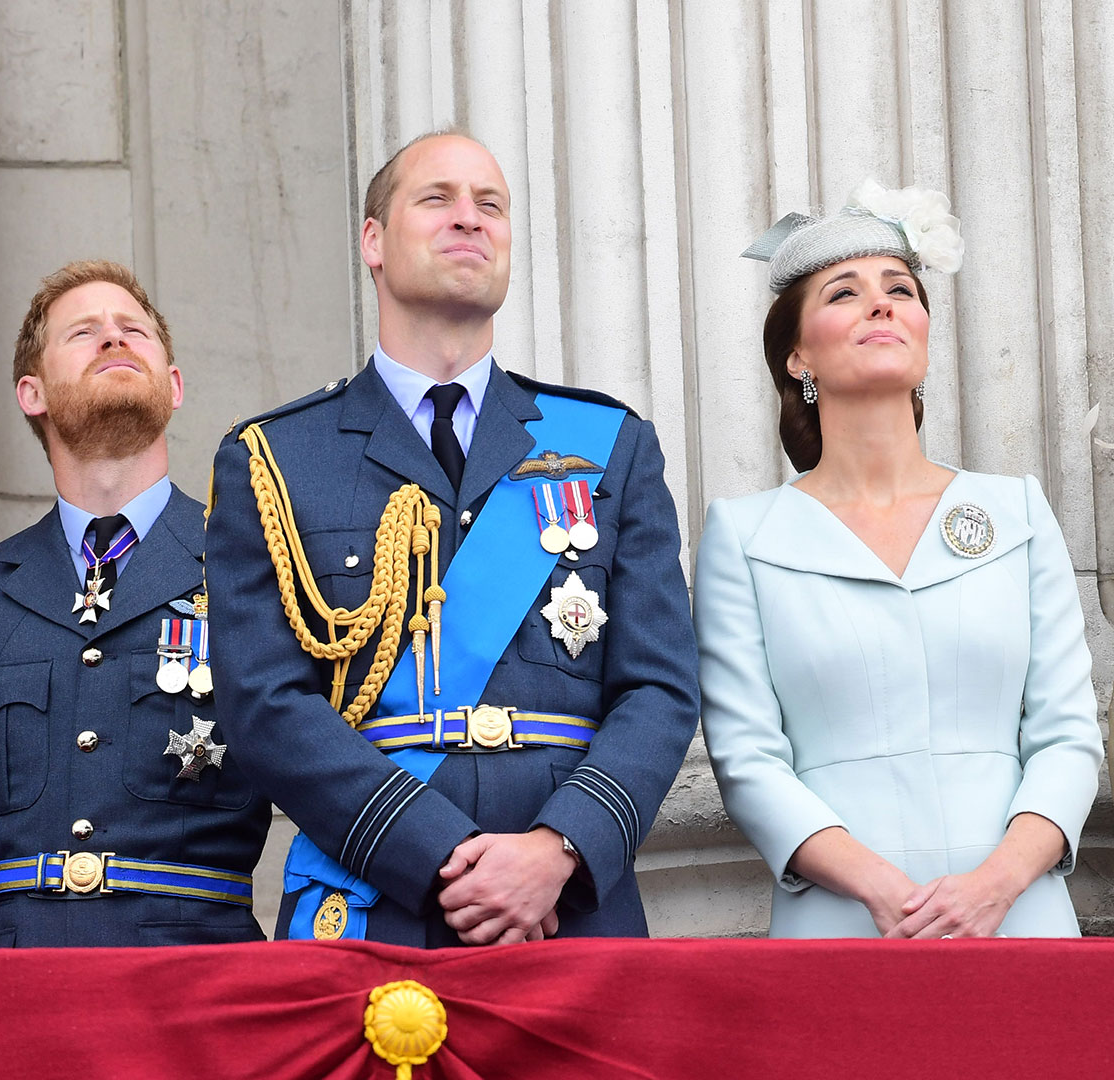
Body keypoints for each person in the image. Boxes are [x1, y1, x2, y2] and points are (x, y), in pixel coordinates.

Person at [206, 132, 699, 946]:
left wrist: (556, 849)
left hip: (567, 908)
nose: (469, 219)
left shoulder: (611, 443)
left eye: (491, 205)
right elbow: (263, 704)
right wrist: (443, 852)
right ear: (373, 239)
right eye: (437, 199)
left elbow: (659, 689)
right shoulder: (275, 457)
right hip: (377, 898)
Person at [697, 181, 1104, 938]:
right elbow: (749, 758)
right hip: (844, 921)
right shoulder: (745, 535)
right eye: (844, 292)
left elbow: (1067, 734)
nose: (881, 304)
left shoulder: (1014, 510)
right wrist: (888, 893)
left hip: (1018, 915)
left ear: (923, 331)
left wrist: (994, 885)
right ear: (796, 356)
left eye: (901, 288)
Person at [0, 260, 271, 946]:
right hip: (12, 990)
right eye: (84, 332)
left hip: (194, 982)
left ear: (173, 385)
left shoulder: (254, 569)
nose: (114, 339)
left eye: (133, 329)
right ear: (32, 391)